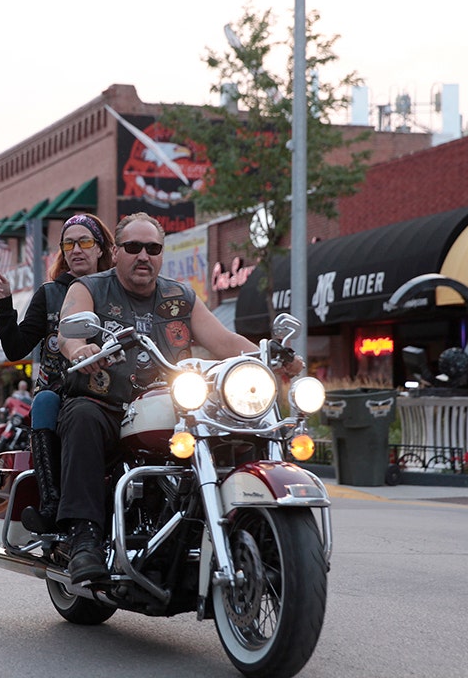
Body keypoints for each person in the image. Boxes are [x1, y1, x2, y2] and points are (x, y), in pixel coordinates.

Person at [56, 212, 302, 584]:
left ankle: (250, 528)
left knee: (240, 427)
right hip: (105, 403)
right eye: (133, 247)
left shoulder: (180, 297)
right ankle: (84, 539)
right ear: (116, 251)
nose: (143, 256)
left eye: (153, 248)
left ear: (161, 253)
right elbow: (68, 332)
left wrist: (270, 358)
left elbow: (224, 342)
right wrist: (79, 351)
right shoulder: (89, 288)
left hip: (170, 405)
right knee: (82, 417)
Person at [0, 212, 116, 533]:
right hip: (61, 394)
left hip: (111, 390)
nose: (76, 249)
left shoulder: (116, 291)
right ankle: (51, 502)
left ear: (100, 249)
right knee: (44, 402)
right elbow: (16, 348)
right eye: (69, 243)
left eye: (85, 241)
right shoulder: (50, 293)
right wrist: (4, 303)